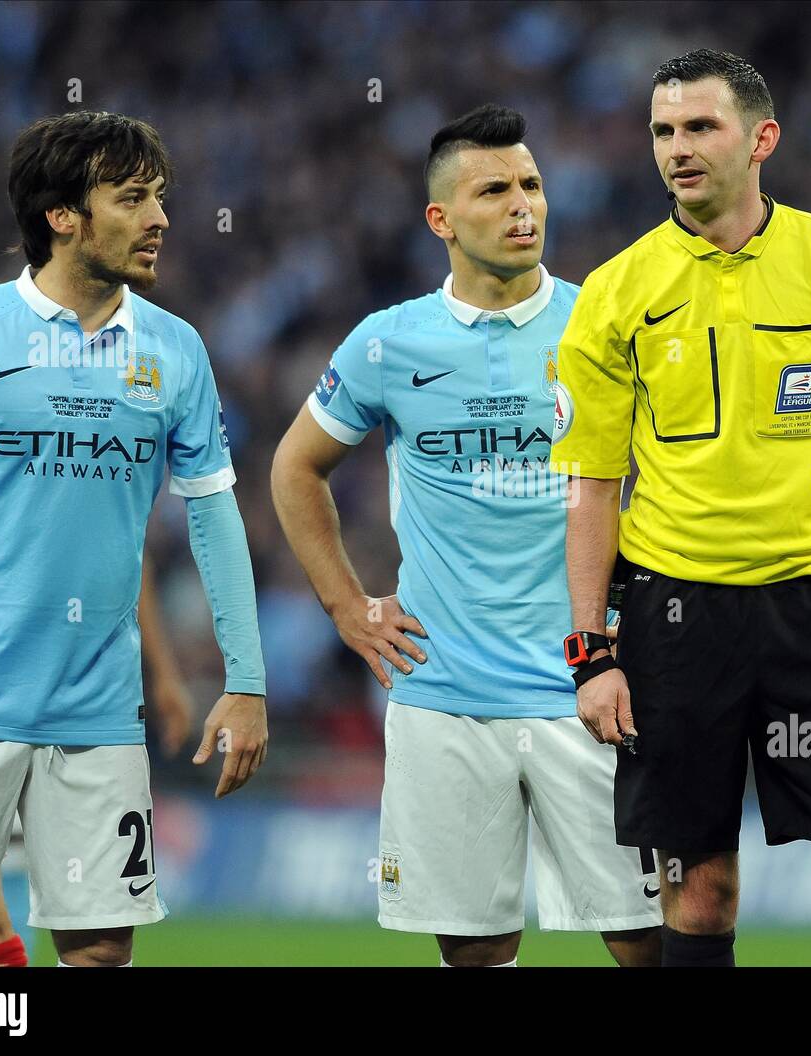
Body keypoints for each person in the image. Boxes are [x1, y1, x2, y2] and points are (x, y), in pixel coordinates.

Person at [550, 49, 811, 968]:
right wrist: (590, 654)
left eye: (700, 127)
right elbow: (593, 486)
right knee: (700, 897)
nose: (677, 149)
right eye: (662, 131)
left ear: (762, 138)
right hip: (674, 619)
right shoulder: (615, 291)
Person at [271, 105, 662, 967]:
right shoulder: (389, 342)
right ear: (441, 220)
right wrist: (347, 607)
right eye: (494, 189)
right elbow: (294, 469)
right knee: (475, 951)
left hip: (591, 685)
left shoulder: (603, 324)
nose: (523, 204)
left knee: (647, 940)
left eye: (531, 184)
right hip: (443, 690)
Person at [0, 111, 267, 968]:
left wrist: (245, 680)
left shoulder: (176, 352)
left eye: (160, 198)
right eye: (132, 199)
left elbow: (213, 516)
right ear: (62, 217)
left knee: (98, 950)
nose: (160, 218)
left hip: (99, 711)